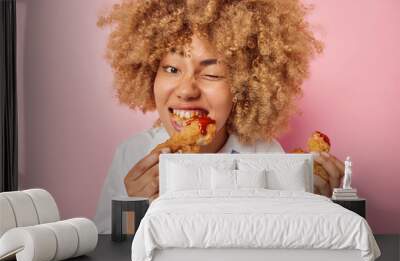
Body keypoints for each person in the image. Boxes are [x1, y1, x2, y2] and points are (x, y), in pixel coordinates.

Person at [94, 0, 345, 234]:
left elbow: (283, 234)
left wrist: (317, 204)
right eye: (171, 69)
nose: (186, 90)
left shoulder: (264, 154)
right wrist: (131, 207)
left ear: (243, 85)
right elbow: (111, 251)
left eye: (212, 74)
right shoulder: (132, 154)